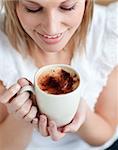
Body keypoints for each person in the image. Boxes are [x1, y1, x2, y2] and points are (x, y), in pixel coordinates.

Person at [0, 0, 117, 150]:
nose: (52, 29)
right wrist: (21, 118)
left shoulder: (106, 33)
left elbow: (105, 134)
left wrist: (82, 115)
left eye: (67, 7)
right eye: (33, 9)